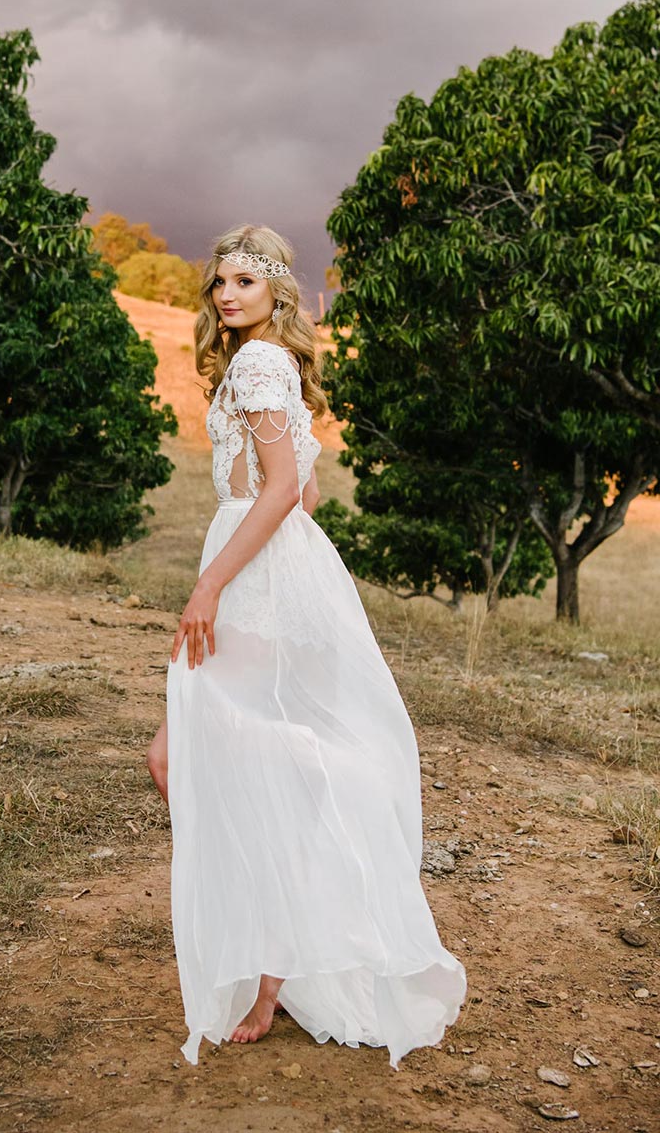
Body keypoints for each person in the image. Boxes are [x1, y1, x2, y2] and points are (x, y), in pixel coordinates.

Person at [146, 224, 467, 1068]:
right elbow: (309, 489)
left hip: (247, 582)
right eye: (219, 282)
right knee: (200, 756)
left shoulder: (257, 365)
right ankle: (272, 949)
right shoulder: (264, 364)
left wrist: (217, 580)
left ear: (275, 294)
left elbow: (289, 487)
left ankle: (267, 966)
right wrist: (269, 554)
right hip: (270, 572)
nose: (226, 295)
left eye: (245, 282)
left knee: (193, 756)